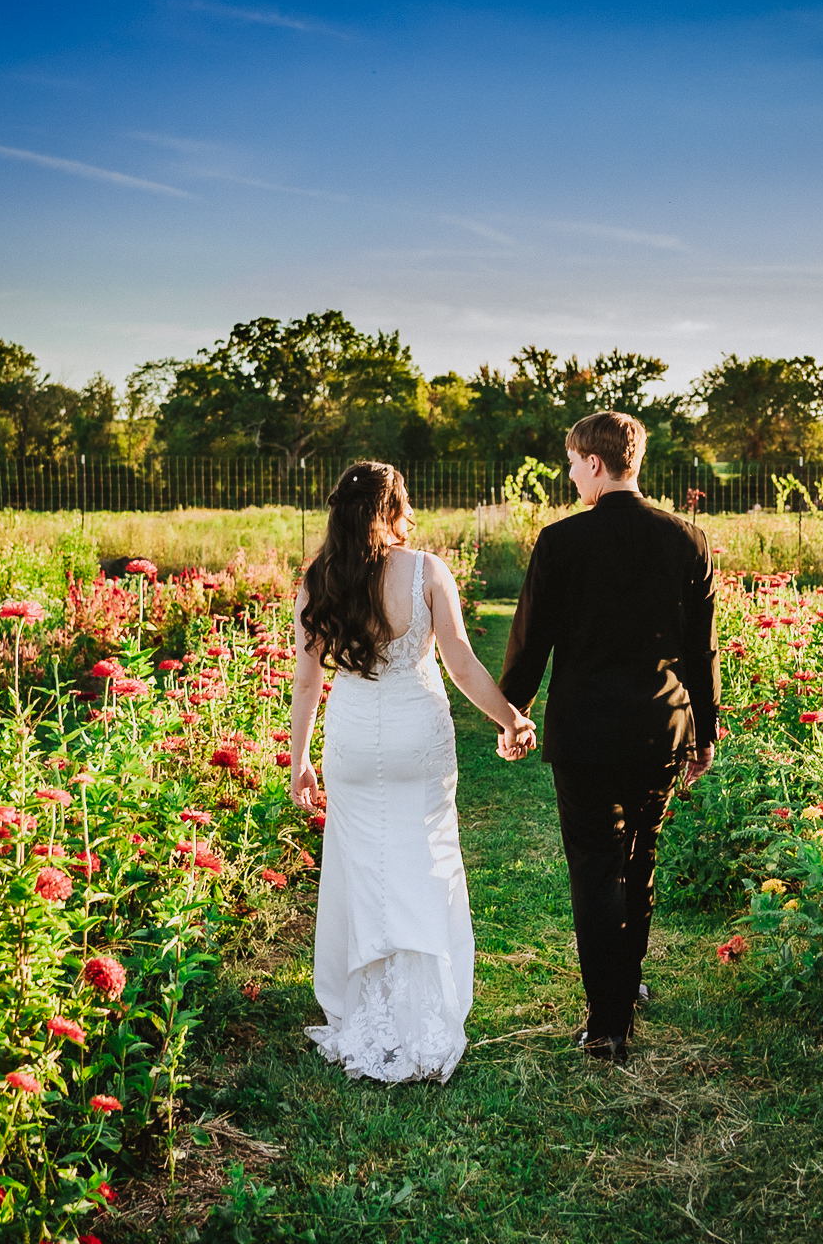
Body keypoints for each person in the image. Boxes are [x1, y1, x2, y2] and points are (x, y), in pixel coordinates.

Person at [288, 461, 534, 1083]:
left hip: (351, 739)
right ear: (394, 507)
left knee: (362, 868)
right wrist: (510, 717)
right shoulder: (425, 570)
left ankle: (367, 1012)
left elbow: (309, 680)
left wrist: (299, 763)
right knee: (424, 860)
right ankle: (424, 1014)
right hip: (416, 735)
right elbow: (460, 660)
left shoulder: (318, 581)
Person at [499, 412, 719, 1062]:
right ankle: (624, 989)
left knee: (596, 870)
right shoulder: (689, 540)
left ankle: (606, 1022)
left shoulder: (561, 542)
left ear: (595, 464)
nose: (569, 475)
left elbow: (531, 639)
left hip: (584, 733)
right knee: (639, 862)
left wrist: (513, 712)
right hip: (660, 727)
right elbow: (701, 651)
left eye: (571, 463)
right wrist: (705, 732)